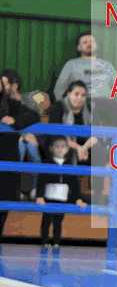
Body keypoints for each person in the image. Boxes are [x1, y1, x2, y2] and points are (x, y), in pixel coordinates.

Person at [35, 136, 87, 248]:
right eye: (57, 146)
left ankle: (56, 242)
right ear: (51, 148)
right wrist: (39, 196)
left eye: (63, 147)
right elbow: (41, 181)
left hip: (62, 197)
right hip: (48, 196)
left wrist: (78, 199)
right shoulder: (47, 163)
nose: (60, 149)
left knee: (58, 222)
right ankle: (44, 242)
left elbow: (74, 184)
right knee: (46, 220)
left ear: (67, 149)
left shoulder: (69, 165)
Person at [0, 69, 41, 199]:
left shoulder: (13, 102)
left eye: (4, 83)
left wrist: (15, 121)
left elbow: (34, 115)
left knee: (29, 146)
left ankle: (33, 189)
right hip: (10, 148)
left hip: (21, 143)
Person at [53, 32, 117, 104]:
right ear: (78, 47)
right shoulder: (71, 64)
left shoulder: (107, 65)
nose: (89, 44)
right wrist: (65, 106)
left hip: (106, 105)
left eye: (92, 42)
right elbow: (59, 89)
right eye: (85, 42)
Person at [48, 80, 98, 163]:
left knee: (99, 150)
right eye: (76, 94)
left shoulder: (89, 108)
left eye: (83, 95)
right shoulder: (58, 107)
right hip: (65, 143)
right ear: (69, 94)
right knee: (62, 150)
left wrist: (84, 148)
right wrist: (78, 148)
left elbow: (96, 133)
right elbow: (56, 134)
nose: (80, 98)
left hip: (86, 145)